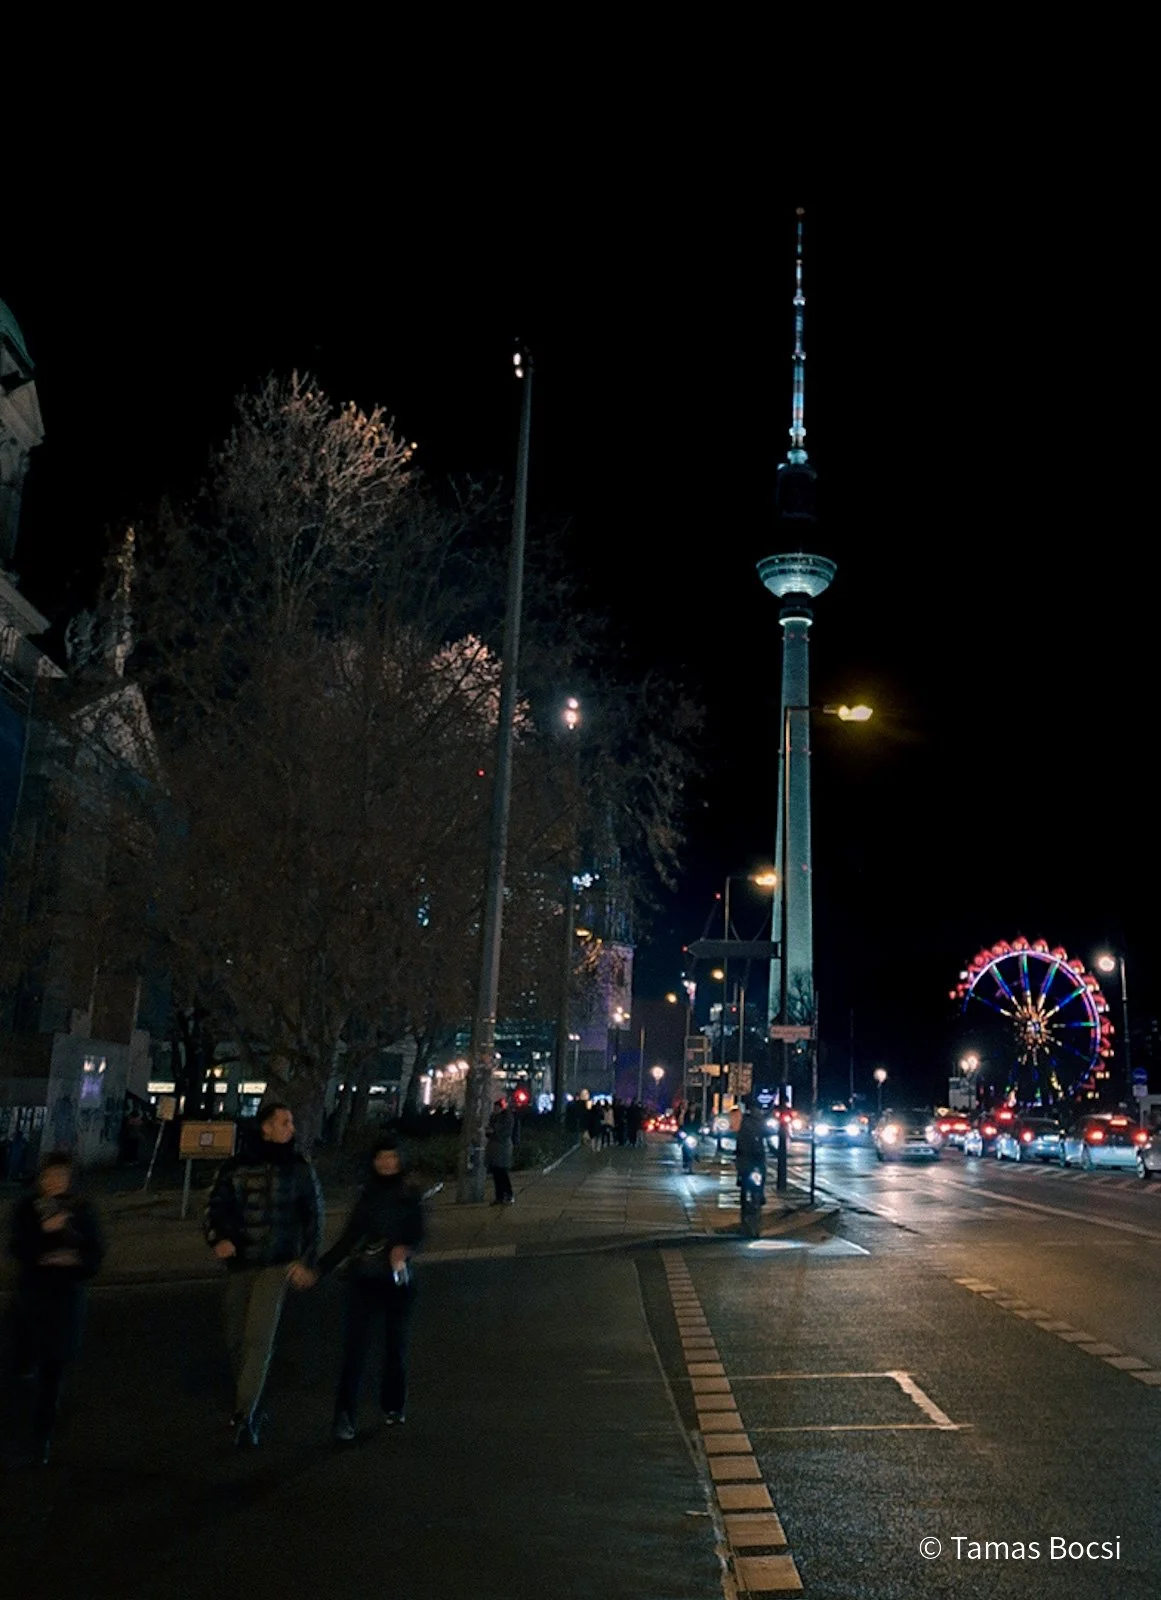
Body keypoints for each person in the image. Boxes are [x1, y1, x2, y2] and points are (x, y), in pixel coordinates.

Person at [203, 1102, 323, 1446]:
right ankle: (249, 1400)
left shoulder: (299, 1169)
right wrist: (219, 1238)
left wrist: (306, 1260)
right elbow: (216, 1206)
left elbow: (314, 1217)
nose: (291, 1128)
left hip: (277, 1263)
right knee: (236, 1336)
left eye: (292, 1122)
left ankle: (245, 1414)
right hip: (241, 1261)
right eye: (284, 1122)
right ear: (266, 1127)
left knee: (259, 1337)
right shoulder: (236, 1167)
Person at [305, 1133, 425, 1441]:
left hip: (397, 1280)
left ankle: (393, 1404)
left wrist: (405, 1248)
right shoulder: (367, 1196)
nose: (386, 1163)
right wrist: (320, 1268)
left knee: (395, 1347)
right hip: (364, 1279)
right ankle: (344, 1415)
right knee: (355, 1350)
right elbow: (348, 1238)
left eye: (392, 1157)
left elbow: (418, 1233)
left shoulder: (410, 1195)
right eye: (381, 1157)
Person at [7, 1150, 105, 1465]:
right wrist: (44, 1236)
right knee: (20, 1367)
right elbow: (18, 1247)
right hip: (32, 1299)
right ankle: (18, 1424)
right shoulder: (28, 1208)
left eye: (61, 1176)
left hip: (65, 1301)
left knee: (52, 1370)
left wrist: (74, 1259)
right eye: (49, 1176)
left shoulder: (81, 1210)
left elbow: (94, 1253)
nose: (55, 1182)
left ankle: (42, 1438)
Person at [485, 1096, 517, 1205]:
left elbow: (505, 1133)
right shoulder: (494, 1117)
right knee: (496, 1174)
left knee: (503, 1173)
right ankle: (499, 1197)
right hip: (494, 1149)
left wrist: (494, 1131)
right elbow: (489, 1132)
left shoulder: (507, 1118)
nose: (495, 1110)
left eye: (497, 1108)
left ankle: (508, 1194)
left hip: (502, 1149)